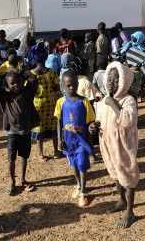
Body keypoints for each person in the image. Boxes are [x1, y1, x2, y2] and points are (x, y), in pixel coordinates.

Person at [90, 62, 139, 228]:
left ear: (124, 81)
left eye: (116, 80)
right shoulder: (105, 98)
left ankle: (130, 212)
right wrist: (95, 125)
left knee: (127, 176)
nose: (112, 83)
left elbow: (126, 121)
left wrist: (113, 104)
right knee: (115, 173)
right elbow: (101, 117)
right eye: (109, 79)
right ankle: (121, 200)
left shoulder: (128, 100)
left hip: (123, 145)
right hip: (107, 143)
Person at [0, 70, 40, 195]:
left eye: (18, 82)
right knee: (11, 157)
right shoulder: (4, 97)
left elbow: (33, 79)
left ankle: (23, 178)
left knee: (24, 155)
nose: (16, 85)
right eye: (12, 83)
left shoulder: (27, 92)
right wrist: (2, 75)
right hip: (12, 131)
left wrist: (21, 72)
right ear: (6, 85)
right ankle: (12, 180)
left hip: (26, 130)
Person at [55, 70, 95, 207]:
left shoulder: (84, 102)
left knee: (82, 166)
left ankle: (84, 191)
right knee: (74, 165)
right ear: (63, 86)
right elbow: (59, 121)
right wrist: (60, 139)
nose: (72, 88)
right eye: (68, 85)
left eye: (74, 85)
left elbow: (90, 123)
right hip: (69, 142)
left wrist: (91, 146)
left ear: (78, 84)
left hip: (81, 142)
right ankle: (78, 185)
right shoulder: (60, 102)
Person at [28, 43, 60, 161]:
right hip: (51, 102)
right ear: (45, 57)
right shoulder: (51, 72)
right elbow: (57, 87)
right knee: (53, 125)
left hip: (37, 104)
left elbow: (29, 90)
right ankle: (56, 151)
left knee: (39, 127)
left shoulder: (31, 74)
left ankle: (40, 154)